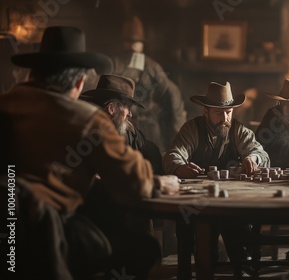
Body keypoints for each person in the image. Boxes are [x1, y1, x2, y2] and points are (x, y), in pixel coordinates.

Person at [0, 26, 179, 280]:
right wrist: (160, 182)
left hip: (8, 236)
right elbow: (135, 181)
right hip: (48, 238)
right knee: (145, 248)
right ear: (78, 82)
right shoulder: (88, 120)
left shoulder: (4, 104)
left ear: (35, 73)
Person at [163, 81, 270, 276]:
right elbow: (173, 155)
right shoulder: (192, 129)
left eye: (228, 112)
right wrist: (180, 167)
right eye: (218, 113)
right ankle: (204, 267)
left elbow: (259, 152)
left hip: (231, 200)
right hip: (199, 200)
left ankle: (242, 268)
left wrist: (252, 158)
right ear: (206, 112)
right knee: (205, 238)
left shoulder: (237, 129)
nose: (225, 118)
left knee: (239, 228)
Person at [113, 15, 186, 153]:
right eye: (129, 41)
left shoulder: (152, 68)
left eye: (137, 41)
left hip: (148, 133)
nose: (133, 46)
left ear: (142, 44)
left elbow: (173, 96)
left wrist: (178, 137)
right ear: (123, 43)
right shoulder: (114, 65)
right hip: (119, 129)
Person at [80, 74, 163, 175]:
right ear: (111, 109)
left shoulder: (129, 132)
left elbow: (151, 152)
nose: (130, 114)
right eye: (127, 107)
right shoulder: (85, 130)